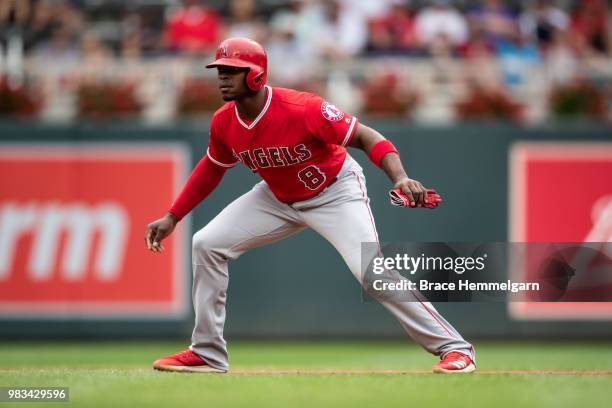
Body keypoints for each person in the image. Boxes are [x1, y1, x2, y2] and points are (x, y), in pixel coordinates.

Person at [145, 38, 476, 374]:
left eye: (234, 70)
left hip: (335, 192)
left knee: (373, 272)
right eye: (221, 70)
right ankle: (207, 353)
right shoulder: (224, 121)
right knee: (206, 243)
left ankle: (456, 349)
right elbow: (212, 168)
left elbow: (366, 137)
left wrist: (400, 177)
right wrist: (173, 216)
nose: (223, 77)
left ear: (257, 76)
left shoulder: (302, 108)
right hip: (276, 196)